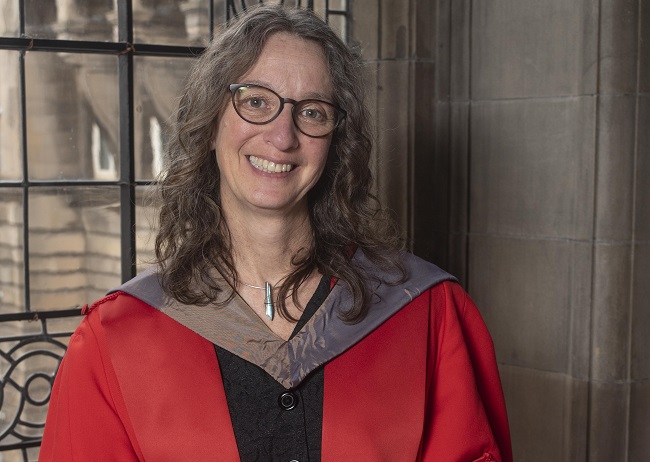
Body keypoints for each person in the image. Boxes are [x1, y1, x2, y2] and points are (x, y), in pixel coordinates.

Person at [40, 4, 512, 462]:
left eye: (311, 111)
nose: (282, 136)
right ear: (210, 122)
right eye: (256, 101)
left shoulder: (426, 314)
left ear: (336, 141)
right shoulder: (114, 340)